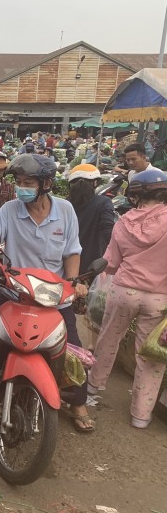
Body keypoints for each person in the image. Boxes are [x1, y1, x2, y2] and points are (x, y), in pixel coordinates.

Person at [0, 154, 94, 432]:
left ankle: (78, 403)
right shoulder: (9, 209)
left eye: (28, 182)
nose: (21, 188)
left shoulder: (65, 210)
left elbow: (72, 252)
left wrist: (74, 282)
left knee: (72, 348)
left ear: (46, 184)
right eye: (18, 182)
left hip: (54, 296)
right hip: (15, 292)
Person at [86, 169, 167, 428]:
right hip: (158, 297)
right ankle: (141, 415)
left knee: (108, 339)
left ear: (135, 194)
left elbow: (110, 263)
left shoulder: (124, 222)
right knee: (151, 354)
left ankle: (92, 389)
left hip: (124, 291)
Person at [66, 164, 115, 274]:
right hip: (94, 266)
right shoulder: (103, 202)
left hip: (67, 264)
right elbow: (109, 232)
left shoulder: (65, 204)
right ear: (95, 183)